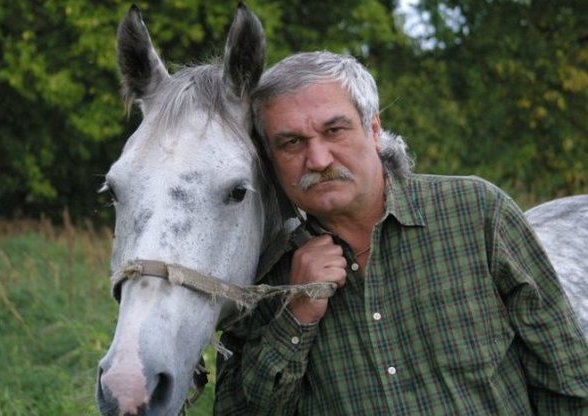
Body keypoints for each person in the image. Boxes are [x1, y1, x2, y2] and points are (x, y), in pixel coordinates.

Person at [213, 51, 588, 415]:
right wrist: (296, 315)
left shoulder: (478, 212)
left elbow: (567, 378)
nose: (319, 160)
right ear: (270, 159)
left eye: (334, 130)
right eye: (292, 143)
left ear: (374, 130)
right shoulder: (265, 279)